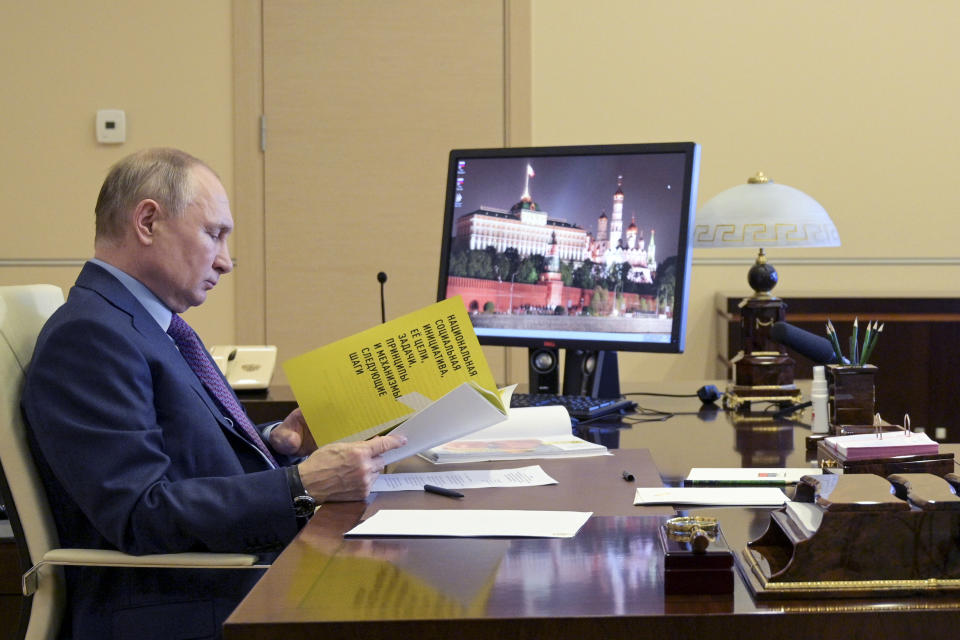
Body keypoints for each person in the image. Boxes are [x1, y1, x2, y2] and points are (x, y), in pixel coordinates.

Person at [21, 148, 406, 640]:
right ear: (147, 221)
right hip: (183, 604)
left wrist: (278, 441)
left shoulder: (147, 324)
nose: (225, 262)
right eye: (214, 234)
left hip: (224, 574)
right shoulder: (91, 337)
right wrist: (303, 485)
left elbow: (184, 456)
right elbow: (140, 513)